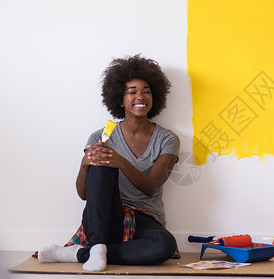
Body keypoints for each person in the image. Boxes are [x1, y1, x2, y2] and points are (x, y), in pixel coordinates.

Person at [38, 54, 180, 271]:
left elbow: (151, 187)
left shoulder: (167, 139)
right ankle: (97, 245)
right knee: (100, 162)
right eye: (132, 91)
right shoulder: (101, 136)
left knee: (165, 246)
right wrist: (85, 164)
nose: (140, 96)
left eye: (146, 91)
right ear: (120, 99)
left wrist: (121, 162)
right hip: (106, 218)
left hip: (145, 218)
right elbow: (84, 194)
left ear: (155, 96)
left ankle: (81, 253)